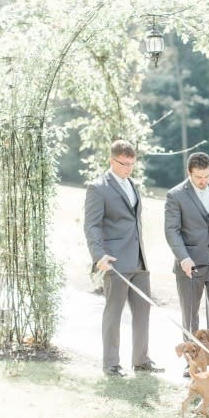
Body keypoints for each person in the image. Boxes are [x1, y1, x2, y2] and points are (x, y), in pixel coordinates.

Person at [83, 139, 163, 377]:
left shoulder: (132, 185)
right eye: (123, 163)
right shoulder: (98, 187)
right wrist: (99, 256)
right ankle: (111, 364)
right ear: (112, 160)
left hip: (139, 260)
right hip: (114, 261)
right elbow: (92, 226)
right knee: (114, 312)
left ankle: (141, 360)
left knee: (143, 311)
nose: (128, 168)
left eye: (131, 164)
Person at [164, 152, 209, 376]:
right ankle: (193, 362)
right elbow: (172, 231)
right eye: (198, 177)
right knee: (191, 316)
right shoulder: (175, 195)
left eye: (207, 176)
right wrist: (183, 258)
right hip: (190, 266)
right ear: (190, 173)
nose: (204, 181)